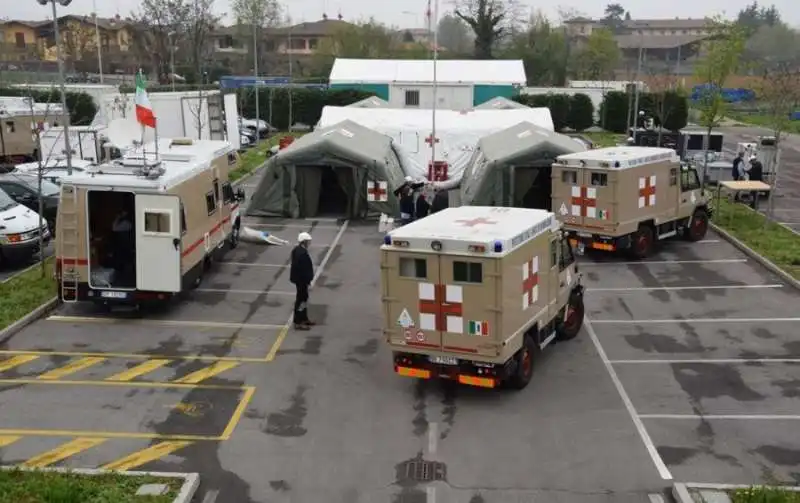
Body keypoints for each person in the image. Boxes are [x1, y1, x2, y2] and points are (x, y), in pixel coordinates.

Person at [290, 232, 316, 330]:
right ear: (303, 242)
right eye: (308, 241)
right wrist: (308, 280)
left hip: (301, 280)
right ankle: (298, 321)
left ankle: (304, 318)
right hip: (301, 281)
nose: (309, 243)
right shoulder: (301, 253)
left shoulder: (298, 250)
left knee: (304, 299)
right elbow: (302, 269)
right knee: (300, 300)